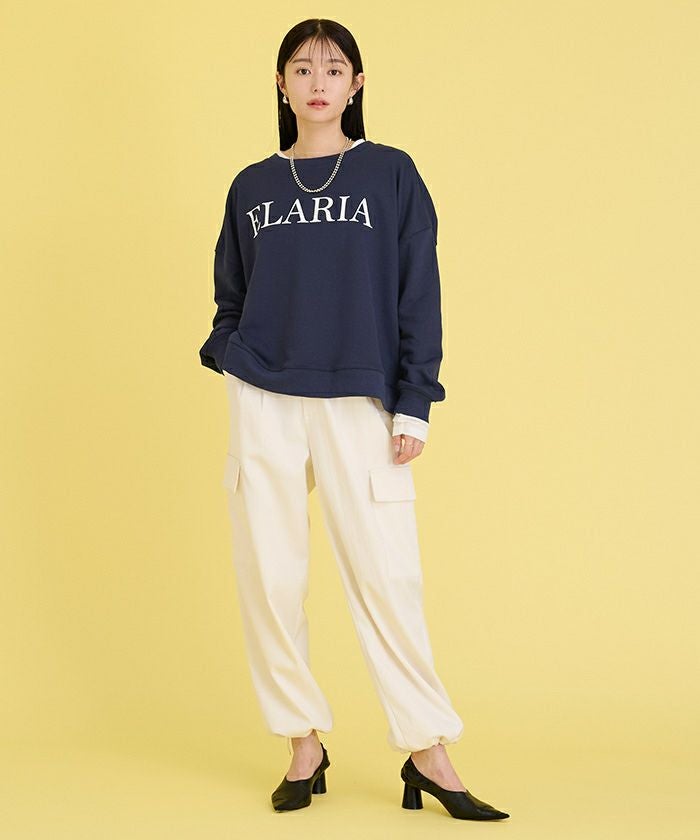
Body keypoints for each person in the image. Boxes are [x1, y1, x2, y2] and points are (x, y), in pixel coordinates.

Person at [199, 18, 510, 821]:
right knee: (269, 574)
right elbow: (231, 291)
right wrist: (229, 352)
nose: (318, 83)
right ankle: (302, 742)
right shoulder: (251, 187)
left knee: (386, 576)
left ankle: (428, 750)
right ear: (281, 85)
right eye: (301, 69)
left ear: (357, 85)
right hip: (264, 395)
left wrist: (415, 401)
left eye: (333, 69)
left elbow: (418, 291)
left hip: (359, 395)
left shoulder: (390, 174)